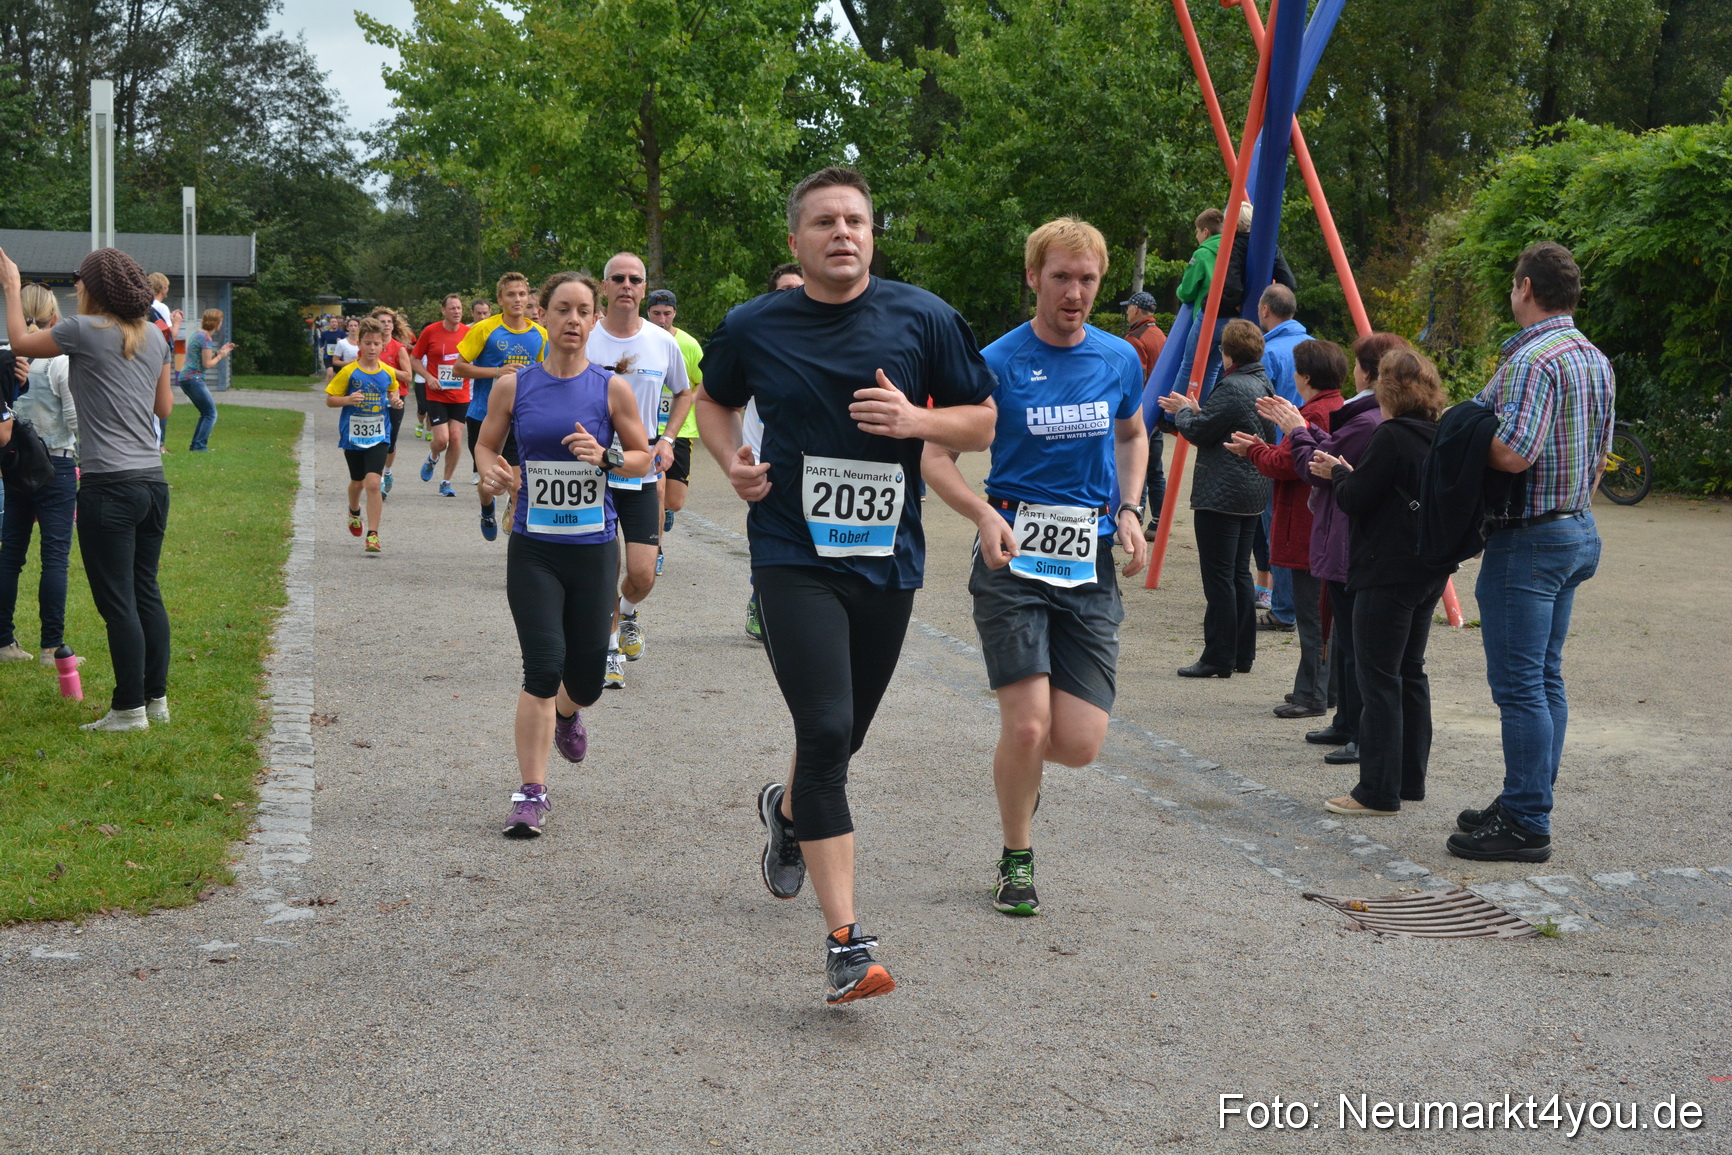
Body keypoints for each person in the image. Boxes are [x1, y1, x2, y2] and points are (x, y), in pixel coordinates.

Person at [695, 166, 997, 1005]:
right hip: (792, 554)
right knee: (825, 732)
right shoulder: (755, 325)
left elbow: (980, 418)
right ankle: (846, 943)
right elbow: (713, 405)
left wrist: (918, 422)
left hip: (887, 562)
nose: (843, 232)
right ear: (796, 240)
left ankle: (785, 810)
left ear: (872, 234)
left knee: (843, 738)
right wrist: (732, 461)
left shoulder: (923, 317)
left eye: (856, 220)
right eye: (824, 221)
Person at [924, 217, 1148, 917]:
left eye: (1087, 279)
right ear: (1033, 278)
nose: (1074, 292)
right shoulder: (993, 363)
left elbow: (1134, 431)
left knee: (1077, 743)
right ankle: (1016, 856)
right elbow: (935, 454)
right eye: (1061, 277)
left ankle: (1018, 776)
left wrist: (1133, 507)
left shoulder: (1119, 358)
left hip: (1089, 559)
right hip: (1012, 556)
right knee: (1025, 727)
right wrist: (984, 516)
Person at [474, 272, 654, 839]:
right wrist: (489, 469)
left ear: (595, 319)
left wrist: (606, 455)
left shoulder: (610, 389)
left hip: (593, 550)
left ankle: (569, 713)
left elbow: (643, 459)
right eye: (562, 310)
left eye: (583, 311)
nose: (573, 320)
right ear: (541, 317)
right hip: (534, 550)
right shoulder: (514, 386)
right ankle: (530, 792)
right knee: (541, 665)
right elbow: (486, 443)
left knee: (586, 679)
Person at [1449, 242, 1613, 863]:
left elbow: (1515, 451)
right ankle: (1527, 797)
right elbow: (1598, 458)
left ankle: (1526, 820)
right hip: (1575, 527)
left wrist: (1463, 437)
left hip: (1528, 539)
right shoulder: (1594, 358)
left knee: (1520, 687)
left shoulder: (1530, 359)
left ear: (1523, 287)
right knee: (1545, 678)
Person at [1, 246, 175, 732]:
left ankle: (127, 710)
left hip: (108, 487)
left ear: (93, 288)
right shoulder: (155, 338)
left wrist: (13, 286)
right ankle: (155, 700)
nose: (74, 285)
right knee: (146, 592)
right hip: (152, 485)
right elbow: (164, 410)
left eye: (79, 279)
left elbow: (19, 339)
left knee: (117, 600)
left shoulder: (82, 331)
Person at [1310, 349, 1454, 815]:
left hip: (1386, 569)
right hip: (1427, 568)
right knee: (1411, 672)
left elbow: (1356, 498)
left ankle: (1376, 790)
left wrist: (1337, 474)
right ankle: (1410, 779)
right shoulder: (1438, 434)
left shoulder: (1390, 435)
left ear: (1385, 388)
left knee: (1379, 679)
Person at [1268, 332, 1406, 766]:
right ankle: (1345, 718)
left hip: (1348, 541)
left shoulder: (1363, 421)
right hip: (1343, 538)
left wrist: (1295, 431)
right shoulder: (1358, 415)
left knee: (1352, 640)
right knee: (1343, 636)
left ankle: (1356, 728)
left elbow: (1314, 467)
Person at [585, 253, 692, 688]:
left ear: (644, 289)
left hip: (642, 469)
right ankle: (609, 648)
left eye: (635, 279)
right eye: (618, 279)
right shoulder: (586, 338)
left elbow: (685, 392)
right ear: (605, 287)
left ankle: (627, 613)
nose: (627, 285)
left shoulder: (661, 341)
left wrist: (667, 440)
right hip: (592, 472)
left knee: (643, 573)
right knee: (603, 565)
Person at [1230, 338, 1347, 718]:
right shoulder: (1335, 407)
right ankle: (1323, 689)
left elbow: (1287, 463)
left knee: (1312, 617)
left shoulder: (1313, 414)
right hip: (1322, 527)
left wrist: (1253, 451)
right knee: (1324, 616)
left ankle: (1312, 693)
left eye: (1296, 371)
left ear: (1306, 376)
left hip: (1307, 528)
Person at [1158, 318, 1274, 678]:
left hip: (1221, 493)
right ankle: (1242, 652)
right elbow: (1216, 421)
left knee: (1218, 578)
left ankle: (1218, 656)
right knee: (1239, 572)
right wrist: (1195, 409)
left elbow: (1202, 431)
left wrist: (1184, 414)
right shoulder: (1261, 381)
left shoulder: (1231, 386)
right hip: (1251, 489)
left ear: (1227, 352)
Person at [0, 283, 80, 668]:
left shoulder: (9, 356)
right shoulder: (59, 360)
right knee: (54, 557)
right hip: (57, 463)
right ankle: (51, 646)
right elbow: (74, 418)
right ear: (53, 316)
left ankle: (3, 640)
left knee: (10, 554)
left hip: (16, 462)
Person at [739, 265, 806, 644]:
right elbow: (718, 398)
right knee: (768, 537)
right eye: (782, 289)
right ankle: (759, 598)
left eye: (797, 288)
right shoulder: (754, 336)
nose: (790, 295)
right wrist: (741, 453)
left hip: (815, 465)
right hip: (766, 460)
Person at [457, 272, 548, 540]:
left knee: (519, 487)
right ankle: (487, 509)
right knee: (490, 483)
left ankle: (518, 546)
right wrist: (496, 372)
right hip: (483, 416)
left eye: (522, 294)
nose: (517, 299)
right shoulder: (485, 329)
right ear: (500, 299)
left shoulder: (540, 334)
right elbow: (459, 368)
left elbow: (546, 373)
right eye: (511, 294)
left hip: (521, 419)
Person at [1253, 283, 1310, 630]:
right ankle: (1299, 605)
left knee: (1278, 531)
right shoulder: (1313, 345)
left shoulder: (1268, 352)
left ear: (1264, 311)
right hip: (1314, 450)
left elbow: (1257, 406)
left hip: (1278, 453)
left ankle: (1284, 608)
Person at [324, 317, 402, 554]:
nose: (371, 348)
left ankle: (373, 535)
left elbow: (393, 389)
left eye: (376, 344)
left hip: (379, 434)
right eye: (367, 343)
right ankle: (354, 510)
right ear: (359, 344)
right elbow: (330, 400)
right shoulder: (349, 372)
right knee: (357, 482)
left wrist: (395, 400)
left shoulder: (388, 372)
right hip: (353, 435)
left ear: (382, 346)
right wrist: (347, 400)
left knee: (372, 483)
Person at [644, 288, 704, 537]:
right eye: (656, 313)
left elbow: (703, 382)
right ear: (647, 313)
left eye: (667, 313)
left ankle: (665, 511)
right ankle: (655, 549)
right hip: (646, 427)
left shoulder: (688, 345)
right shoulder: (641, 339)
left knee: (674, 500)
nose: (661, 319)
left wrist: (687, 400)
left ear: (675, 313)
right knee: (655, 492)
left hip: (679, 428)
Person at [412, 294, 471, 497]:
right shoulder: (431, 331)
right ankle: (433, 456)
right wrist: (428, 377)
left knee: (455, 438)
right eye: (452, 308)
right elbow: (414, 359)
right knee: (441, 440)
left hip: (461, 395)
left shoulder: (468, 333)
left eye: (459, 308)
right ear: (443, 310)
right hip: (437, 394)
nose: (456, 311)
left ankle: (446, 481)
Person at [373, 308, 417, 497]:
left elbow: (408, 376)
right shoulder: (369, 346)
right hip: (373, 399)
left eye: (389, 321)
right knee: (377, 440)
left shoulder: (398, 348)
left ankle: (388, 471)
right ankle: (379, 480)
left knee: (390, 442)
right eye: (382, 322)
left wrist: (385, 368)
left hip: (396, 399)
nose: (386, 325)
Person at [177, 309, 234, 452]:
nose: (221, 324)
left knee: (205, 413)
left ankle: (196, 446)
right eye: (220, 321)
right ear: (215, 323)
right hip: (194, 378)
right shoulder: (206, 338)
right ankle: (199, 447)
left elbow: (202, 358)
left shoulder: (197, 334)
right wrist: (221, 356)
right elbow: (207, 364)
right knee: (211, 413)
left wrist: (219, 352)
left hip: (186, 378)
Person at [147, 272, 182, 454]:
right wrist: (176, 322)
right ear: (162, 287)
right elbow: (170, 336)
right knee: (162, 399)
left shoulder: (147, 307)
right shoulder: (161, 307)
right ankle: (160, 443)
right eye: (167, 286)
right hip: (160, 359)